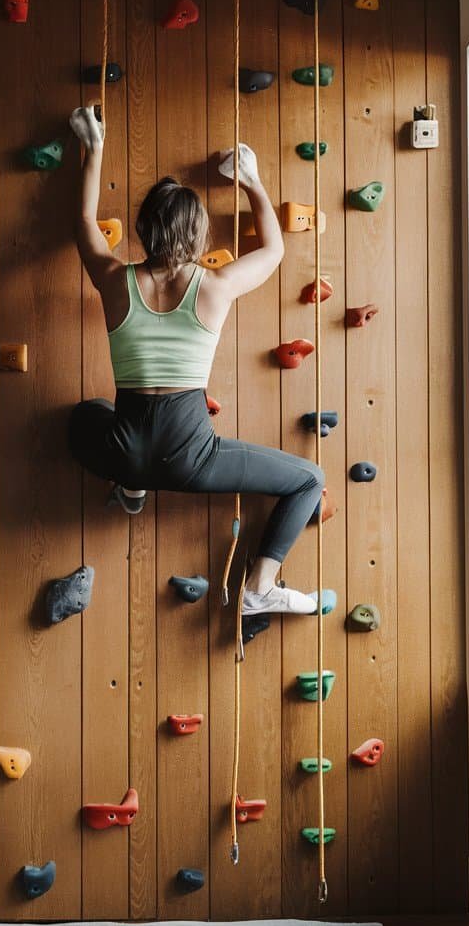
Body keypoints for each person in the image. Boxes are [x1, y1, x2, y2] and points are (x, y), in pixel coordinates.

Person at [68, 105, 325, 618]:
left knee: (83, 414)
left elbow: (82, 223)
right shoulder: (216, 286)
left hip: (121, 453)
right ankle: (260, 587)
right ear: (201, 236)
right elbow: (274, 250)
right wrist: (251, 180)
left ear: (143, 228)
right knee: (309, 480)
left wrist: (92, 148)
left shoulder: (115, 279)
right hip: (192, 463)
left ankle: (133, 488)